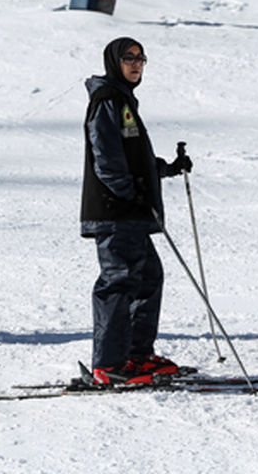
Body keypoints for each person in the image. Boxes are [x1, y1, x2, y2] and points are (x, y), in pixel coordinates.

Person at [81, 37, 192, 386]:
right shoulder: (107, 100)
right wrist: (131, 194)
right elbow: (107, 160)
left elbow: (133, 159)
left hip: (129, 212)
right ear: (114, 61)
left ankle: (136, 356)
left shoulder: (123, 100)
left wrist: (166, 169)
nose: (136, 64)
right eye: (128, 58)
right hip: (116, 212)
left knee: (147, 278)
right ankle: (109, 364)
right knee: (119, 281)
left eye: (141, 59)